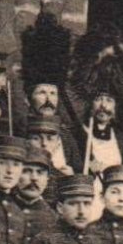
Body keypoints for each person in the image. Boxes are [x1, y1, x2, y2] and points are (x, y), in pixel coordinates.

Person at [20, 11, 79, 170]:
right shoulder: (19, 132)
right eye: (42, 93)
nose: (49, 100)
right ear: (28, 99)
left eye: (53, 93)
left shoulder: (67, 138)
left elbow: (80, 173)